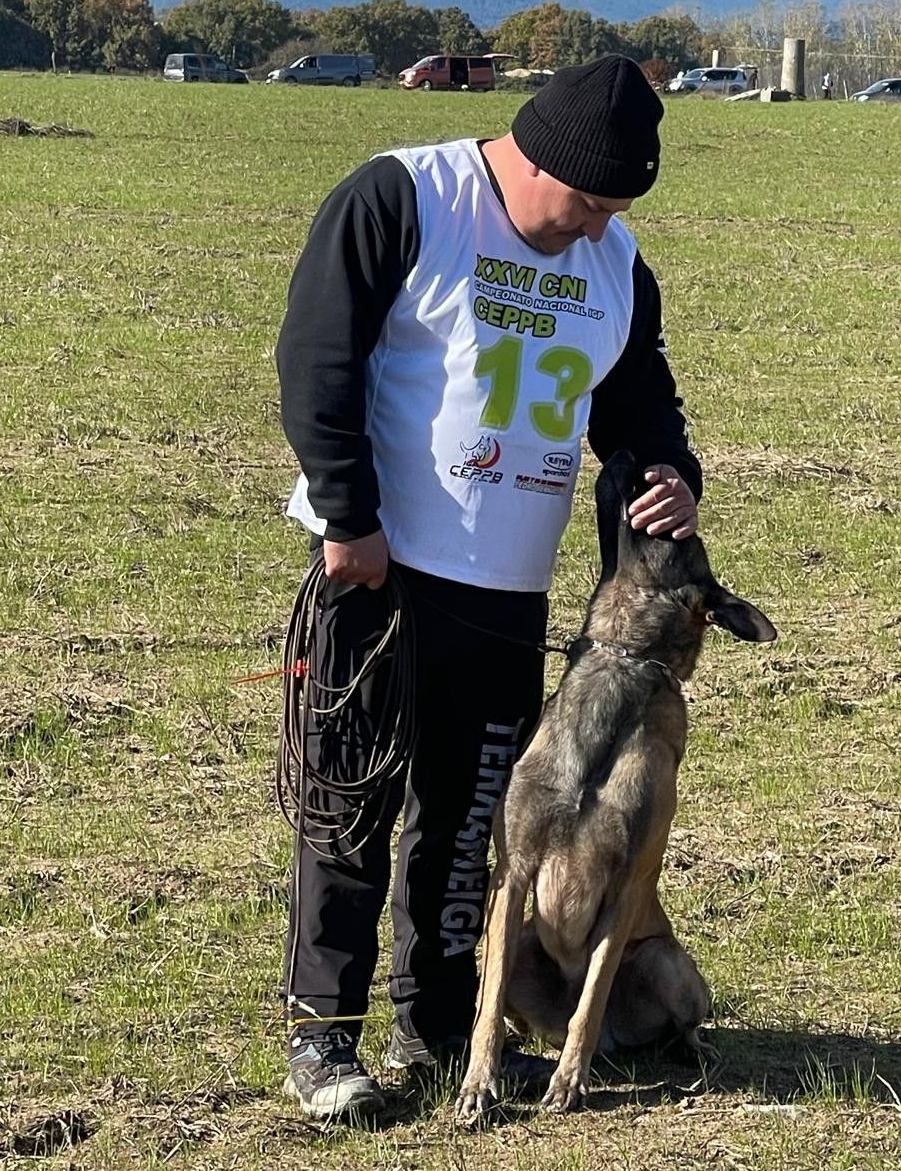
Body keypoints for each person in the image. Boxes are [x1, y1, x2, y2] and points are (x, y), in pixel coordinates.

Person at [275, 55, 703, 1121]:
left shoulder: (617, 263)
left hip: (509, 589)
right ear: (539, 158)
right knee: (350, 807)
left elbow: (642, 399)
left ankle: (440, 1024)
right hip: (378, 570)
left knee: (469, 829)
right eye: (591, 201)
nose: (601, 226)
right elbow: (317, 359)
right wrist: (349, 517)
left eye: (618, 210)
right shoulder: (406, 197)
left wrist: (668, 477)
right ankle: (324, 1038)